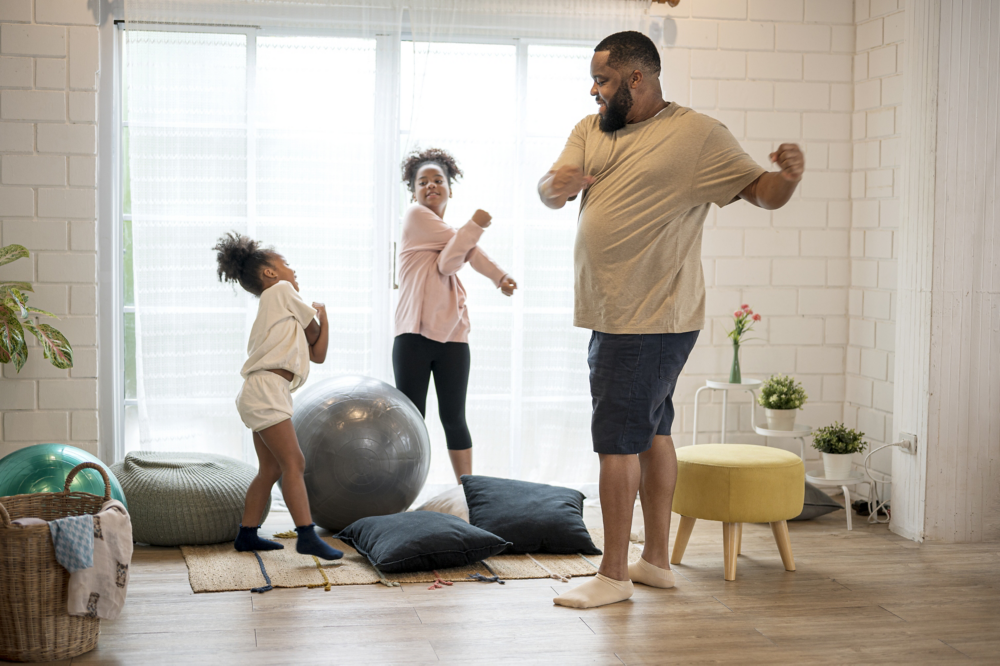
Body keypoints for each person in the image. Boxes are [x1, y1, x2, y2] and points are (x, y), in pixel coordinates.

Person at [537, 31, 804, 609]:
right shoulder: (592, 129)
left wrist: (787, 178)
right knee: (654, 431)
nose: (593, 89)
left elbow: (762, 193)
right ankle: (655, 562)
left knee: (615, 443)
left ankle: (612, 575)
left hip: (650, 315)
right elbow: (550, 186)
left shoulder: (698, 136)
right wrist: (552, 189)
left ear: (637, 79)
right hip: (614, 313)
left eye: (602, 80)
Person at [214, 232, 343, 560]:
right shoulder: (283, 292)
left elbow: (317, 355)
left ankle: (247, 534)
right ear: (270, 273)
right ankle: (306, 535)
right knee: (294, 462)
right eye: (286, 264)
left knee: (270, 469)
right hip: (267, 389)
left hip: (264, 390)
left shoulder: (278, 307)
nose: (292, 270)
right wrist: (323, 316)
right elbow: (316, 338)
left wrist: (322, 318)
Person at [393, 148, 518, 484]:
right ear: (414, 191)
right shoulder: (415, 216)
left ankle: (468, 491)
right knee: (411, 418)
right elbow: (459, 254)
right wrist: (477, 226)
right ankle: (400, 492)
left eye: (438, 180)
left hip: (452, 336)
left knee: (454, 417)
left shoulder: (448, 232)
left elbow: (452, 257)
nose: (430, 185)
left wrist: (500, 277)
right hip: (413, 335)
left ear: (450, 187)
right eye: (423, 182)